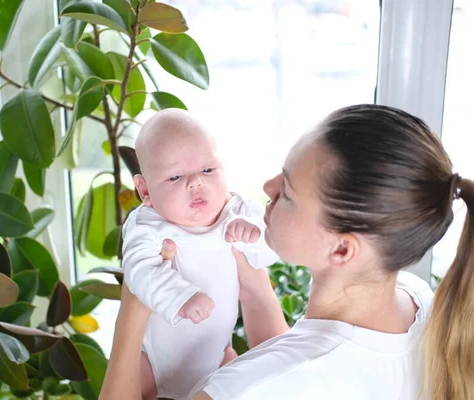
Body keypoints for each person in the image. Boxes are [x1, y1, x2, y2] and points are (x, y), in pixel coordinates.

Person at [100, 104, 474, 400]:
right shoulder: (418, 302)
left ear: (342, 248)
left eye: (289, 192)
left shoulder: (240, 391)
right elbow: (293, 359)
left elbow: (277, 375)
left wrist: (133, 307)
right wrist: (255, 285)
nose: (267, 186)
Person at [123, 109, 279, 399]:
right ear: (144, 190)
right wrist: (180, 295)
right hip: (156, 363)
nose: (196, 182)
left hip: (217, 355)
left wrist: (253, 234)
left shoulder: (235, 210)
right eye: (175, 176)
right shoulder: (148, 224)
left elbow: (267, 253)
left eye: (208, 170)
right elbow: (138, 271)